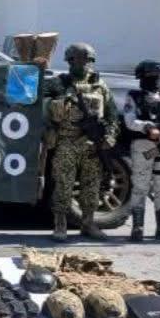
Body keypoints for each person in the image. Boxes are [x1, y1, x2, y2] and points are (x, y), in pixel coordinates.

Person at [43, 42, 118, 242]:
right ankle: (60, 224)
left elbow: (112, 115)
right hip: (67, 141)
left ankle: (88, 222)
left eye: (88, 60)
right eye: (80, 60)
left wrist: (110, 136)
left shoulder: (100, 86)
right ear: (70, 61)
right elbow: (35, 97)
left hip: (93, 145)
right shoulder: (59, 83)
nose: (85, 64)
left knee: (92, 185)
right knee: (63, 184)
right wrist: (54, 106)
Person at [121, 60, 160, 243]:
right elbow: (129, 120)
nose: (156, 80)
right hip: (146, 147)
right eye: (153, 76)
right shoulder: (134, 96)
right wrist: (148, 127)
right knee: (141, 185)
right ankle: (138, 227)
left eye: (158, 76)